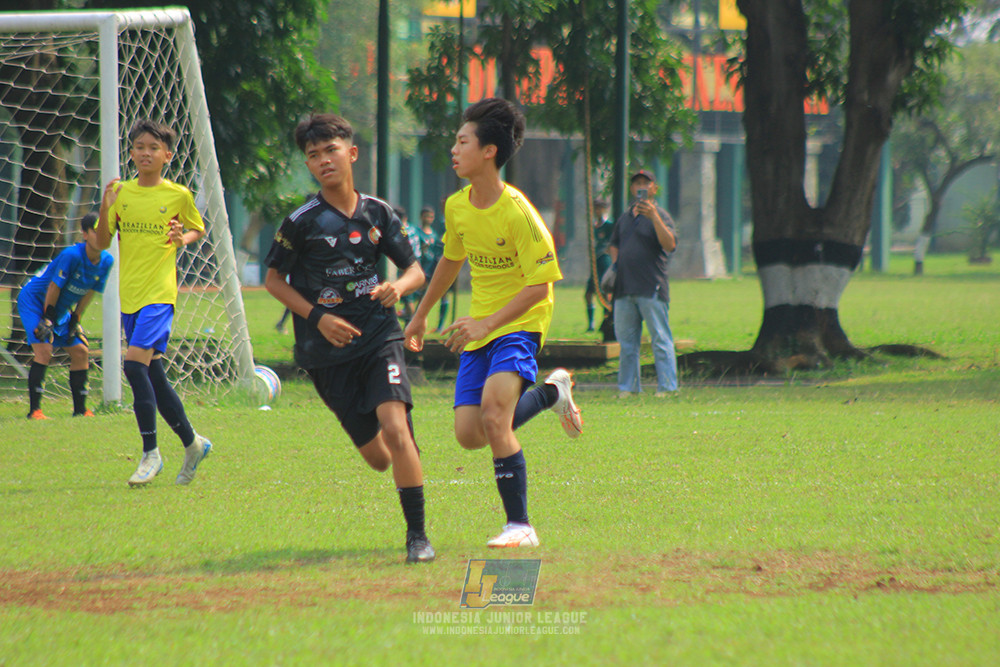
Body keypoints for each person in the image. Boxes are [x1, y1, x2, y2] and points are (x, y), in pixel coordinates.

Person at [404, 97, 583, 549]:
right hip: (480, 325)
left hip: (521, 321)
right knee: (471, 435)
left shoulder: (518, 212)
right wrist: (421, 315)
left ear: (488, 151)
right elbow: (450, 260)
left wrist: (487, 326)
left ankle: (520, 525)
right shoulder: (456, 207)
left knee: (494, 415)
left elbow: (539, 288)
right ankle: (551, 394)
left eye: (463, 141)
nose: (454, 149)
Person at [263, 113, 434, 564]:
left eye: (331, 150)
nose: (323, 161)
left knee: (398, 431)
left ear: (351, 153)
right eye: (313, 155)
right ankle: (395, 451)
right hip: (326, 354)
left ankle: (417, 537)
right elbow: (274, 281)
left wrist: (398, 286)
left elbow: (417, 269)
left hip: (380, 336)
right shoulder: (301, 220)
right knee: (380, 458)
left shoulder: (377, 213)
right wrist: (318, 317)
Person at [97, 118, 213, 487]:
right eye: (139, 147)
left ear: (167, 154)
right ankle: (193, 443)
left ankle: (150, 454)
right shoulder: (120, 192)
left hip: (160, 295)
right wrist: (105, 207)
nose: (145, 153)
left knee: (133, 367)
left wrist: (182, 238)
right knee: (153, 376)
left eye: (152, 148)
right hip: (129, 296)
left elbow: (198, 228)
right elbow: (101, 243)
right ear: (131, 152)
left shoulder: (178, 195)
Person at [16, 212, 113, 419]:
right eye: (97, 231)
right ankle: (35, 411)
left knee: (80, 352)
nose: (103, 235)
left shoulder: (106, 260)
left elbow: (90, 291)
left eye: (106, 231)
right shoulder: (72, 255)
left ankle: (80, 410)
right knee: (44, 349)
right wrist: (48, 318)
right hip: (35, 301)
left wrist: (76, 319)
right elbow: (53, 287)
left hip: (58, 307)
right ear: (85, 234)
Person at [608, 169, 679, 397]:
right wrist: (616, 263)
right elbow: (614, 243)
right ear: (632, 188)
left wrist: (654, 217)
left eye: (646, 183)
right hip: (624, 289)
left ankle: (667, 387)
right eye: (637, 183)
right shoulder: (625, 217)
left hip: (652, 287)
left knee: (660, 338)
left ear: (654, 188)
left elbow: (669, 245)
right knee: (627, 343)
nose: (641, 187)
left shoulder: (662, 215)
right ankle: (628, 388)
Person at [413, 205, 450, 332]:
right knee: (420, 297)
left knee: (443, 294)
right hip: (421, 269)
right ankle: (413, 321)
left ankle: (440, 326)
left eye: (431, 216)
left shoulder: (434, 234)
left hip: (434, 268)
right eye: (426, 216)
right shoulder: (417, 232)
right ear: (421, 217)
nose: (429, 219)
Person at [584, 198, 614, 333]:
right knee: (589, 293)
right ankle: (591, 323)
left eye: (600, 208)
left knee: (604, 291)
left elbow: (612, 243)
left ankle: (606, 319)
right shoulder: (593, 227)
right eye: (596, 208)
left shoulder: (609, 226)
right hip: (595, 261)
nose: (598, 211)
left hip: (604, 260)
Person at [394, 206, 422, 324]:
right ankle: (408, 320)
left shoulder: (400, 229)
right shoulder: (413, 228)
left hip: (406, 265)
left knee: (408, 298)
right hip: (418, 264)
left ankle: (410, 321)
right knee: (411, 297)